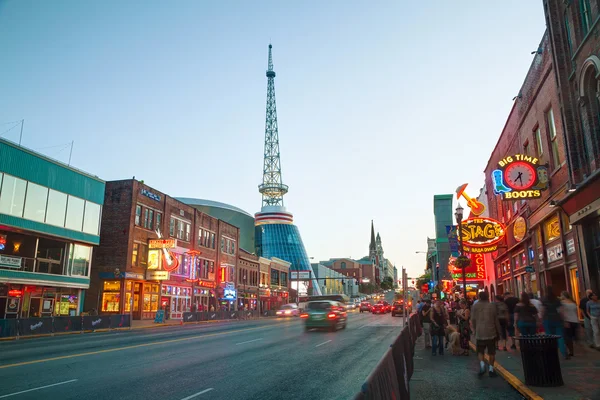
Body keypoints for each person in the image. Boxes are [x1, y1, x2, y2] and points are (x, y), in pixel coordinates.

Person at [471, 291, 501, 377]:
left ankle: (482, 365)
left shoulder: (475, 306)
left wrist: (474, 329)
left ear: (479, 297)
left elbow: (473, 319)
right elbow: (496, 320)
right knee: (492, 352)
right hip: (491, 332)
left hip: (480, 332)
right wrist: (499, 331)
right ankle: (491, 369)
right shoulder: (492, 306)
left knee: (480, 351)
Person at [542, 286, 568, 359]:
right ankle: (563, 353)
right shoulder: (557, 300)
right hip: (557, 319)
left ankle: (551, 353)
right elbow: (561, 311)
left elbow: (543, 310)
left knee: (549, 336)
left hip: (547, 320)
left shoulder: (544, 299)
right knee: (560, 337)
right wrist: (564, 320)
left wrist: (541, 319)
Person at [560, 291, 579, 357]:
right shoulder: (573, 302)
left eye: (561, 295)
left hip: (567, 321)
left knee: (567, 337)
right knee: (572, 336)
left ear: (563, 296)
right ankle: (573, 349)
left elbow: (562, 313)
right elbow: (576, 312)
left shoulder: (563, 303)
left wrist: (564, 321)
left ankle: (571, 351)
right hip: (575, 321)